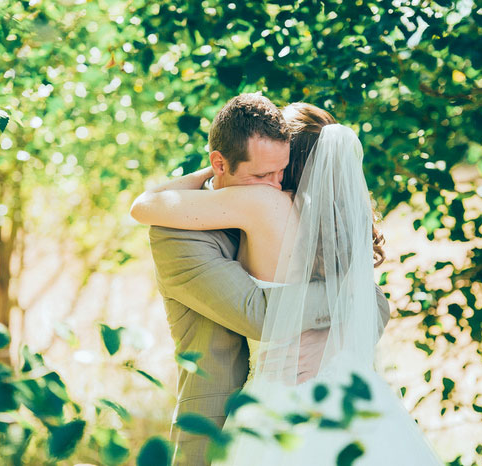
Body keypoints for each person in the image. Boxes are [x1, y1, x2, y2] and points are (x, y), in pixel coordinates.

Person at [130, 95, 391, 466]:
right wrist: (343, 306)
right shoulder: (177, 234)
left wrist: (334, 341)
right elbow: (257, 314)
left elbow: (376, 303)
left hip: (301, 404)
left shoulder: (295, 220)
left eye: (280, 173)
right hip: (217, 425)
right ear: (219, 163)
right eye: (260, 176)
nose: (272, 185)